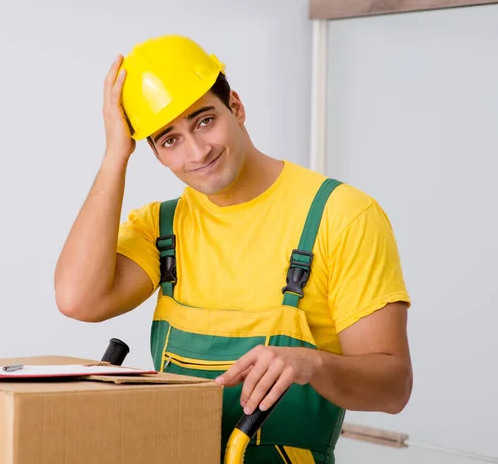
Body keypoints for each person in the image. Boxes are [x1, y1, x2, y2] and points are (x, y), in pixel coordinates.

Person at [54, 34, 413, 464]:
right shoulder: (161, 228)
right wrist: (116, 154)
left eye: (204, 120)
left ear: (236, 108)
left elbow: (393, 388)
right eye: (169, 140)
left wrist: (313, 364)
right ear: (156, 153)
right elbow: (77, 299)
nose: (198, 151)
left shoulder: (342, 216)